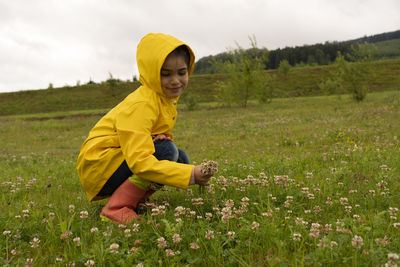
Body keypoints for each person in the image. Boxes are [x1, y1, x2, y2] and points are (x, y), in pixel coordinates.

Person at [76, 33, 212, 224]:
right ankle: (116, 208)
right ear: (151, 73)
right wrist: (190, 175)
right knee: (166, 152)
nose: (175, 80)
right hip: (100, 167)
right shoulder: (141, 104)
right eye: (165, 74)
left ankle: (136, 199)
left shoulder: (163, 99)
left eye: (181, 72)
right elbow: (139, 161)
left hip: (116, 159)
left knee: (179, 157)